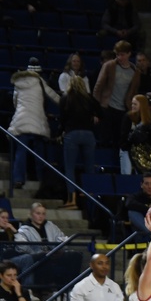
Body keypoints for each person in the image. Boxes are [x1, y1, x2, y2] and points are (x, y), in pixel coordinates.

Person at [9, 57, 62, 189]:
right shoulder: (40, 81)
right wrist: (68, 104)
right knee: (39, 152)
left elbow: (15, 102)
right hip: (37, 122)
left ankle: (18, 179)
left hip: (21, 121)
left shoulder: (18, 83)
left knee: (21, 151)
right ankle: (41, 179)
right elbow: (54, 97)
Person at [59, 74, 100, 209]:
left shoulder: (66, 98)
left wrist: (62, 130)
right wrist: (94, 116)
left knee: (70, 168)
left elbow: (62, 118)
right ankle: (91, 199)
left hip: (72, 134)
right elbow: (101, 112)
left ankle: (72, 200)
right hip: (89, 135)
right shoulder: (89, 98)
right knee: (89, 169)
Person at [93, 41, 136, 149]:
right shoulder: (109, 66)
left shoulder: (134, 71)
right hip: (107, 107)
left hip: (123, 110)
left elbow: (133, 92)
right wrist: (95, 110)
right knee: (105, 139)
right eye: (117, 54)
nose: (119, 57)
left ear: (129, 54)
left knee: (120, 141)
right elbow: (98, 88)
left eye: (122, 54)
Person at [119, 95, 151, 175]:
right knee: (127, 173)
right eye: (132, 104)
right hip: (127, 150)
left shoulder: (150, 118)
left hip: (143, 152)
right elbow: (123, 137)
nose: (132, 106)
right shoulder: (128, 117)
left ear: (142, 105)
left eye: (135, 104)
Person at [123, 173, 151, 240]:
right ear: (141, 185)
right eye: (146, 184)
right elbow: (128, 204)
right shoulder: (136, 196)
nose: (149, 186)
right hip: (142, 228)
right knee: (132, 212)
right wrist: (148, 209)